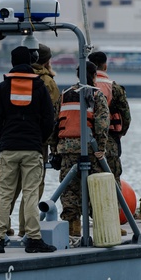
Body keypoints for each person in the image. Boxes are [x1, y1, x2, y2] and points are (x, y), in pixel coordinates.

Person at [0, 45, 57, 254]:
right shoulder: (40, 87)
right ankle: (34, 239)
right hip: (32, 148)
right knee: (31, 194)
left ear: (12, 63)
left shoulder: (2, 87)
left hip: (8, 148)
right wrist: (39, 139)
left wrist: (3, 137)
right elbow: (49, 119)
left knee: (5, 194)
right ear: (31, 61)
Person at [6, 43, 61, 237]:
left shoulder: (13, 79)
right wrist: (52, 144)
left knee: (9, 188)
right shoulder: (46, 82)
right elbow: (53, 115)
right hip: (37, 143)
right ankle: (26, 228)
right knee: (34, 187)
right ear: (47, 61)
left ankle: (4, 226)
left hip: (11, 141)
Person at [50, 60, 109, 238]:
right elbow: (102, 122)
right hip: (89, 147)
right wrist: (102, 147)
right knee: (95, 185)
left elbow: (55, 123)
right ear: (94, 75)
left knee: (68, 188)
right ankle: (101, 225)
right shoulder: (96, 94)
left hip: (66, 147)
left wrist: (54, 149)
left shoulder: (65, 94)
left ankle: (72, 225)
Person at [88, 50, 131, 186]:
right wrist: (120, 133)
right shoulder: (115, 88)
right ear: (105, 66)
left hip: (84, 140)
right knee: (112, 180)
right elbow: (126, 116)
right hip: (110, 139)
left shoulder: (80, 88)